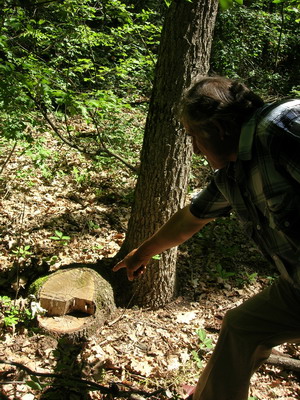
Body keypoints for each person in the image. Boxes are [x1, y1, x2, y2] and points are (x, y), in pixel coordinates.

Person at [113, 76, 300, 400]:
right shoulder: (232, 174)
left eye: (194, 137)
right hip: (296, 284)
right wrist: (142, 253)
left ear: (220, 129)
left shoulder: (281, 127)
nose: (195, 148)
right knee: (243, 328)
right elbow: (190, 218)